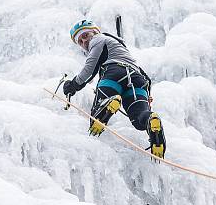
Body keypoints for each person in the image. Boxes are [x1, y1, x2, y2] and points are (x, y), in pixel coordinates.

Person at [62, 19, 166, 158]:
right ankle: (152, 124)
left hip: (113, 74)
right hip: (136, 79)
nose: (84, 42)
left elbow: (89, 70)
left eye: (85, 36)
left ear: (95, 32)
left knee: (95, 119)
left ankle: (108, 102)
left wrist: (72, 85)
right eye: (80, 42)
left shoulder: (99, 39)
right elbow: (146, 78)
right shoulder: (122, 50)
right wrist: (147, 95)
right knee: (138, 119)